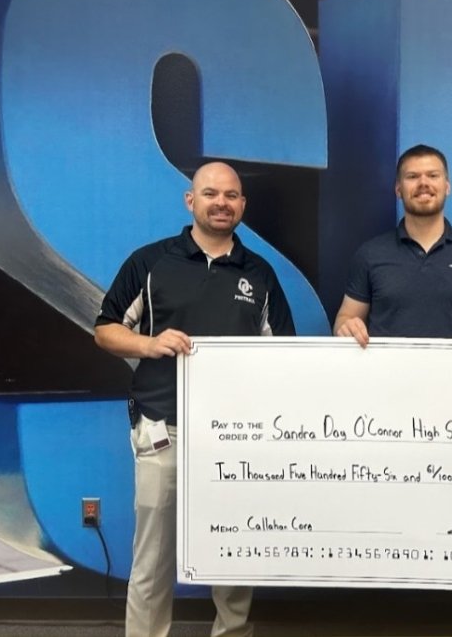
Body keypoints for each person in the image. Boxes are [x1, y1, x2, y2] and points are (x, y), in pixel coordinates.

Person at [95, 161, 295, 637]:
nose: (221, 203)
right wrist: (149, 344)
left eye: (231, 195)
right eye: (211, 194)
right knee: (152, 556)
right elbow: (104, 331)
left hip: (236, 436)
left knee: (233, 548)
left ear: (242, 205)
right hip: (164, 427)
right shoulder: (150, 262)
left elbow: (284, 351)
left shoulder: (260, 274)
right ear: (191, 201)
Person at [334, 143, 452, 344]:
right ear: (398, 189)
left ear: (447, 186)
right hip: (387, 374)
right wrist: (347, 327)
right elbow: (344, 319)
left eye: (433, 175)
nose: (423, 183)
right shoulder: (369, 254)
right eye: (412, 176)